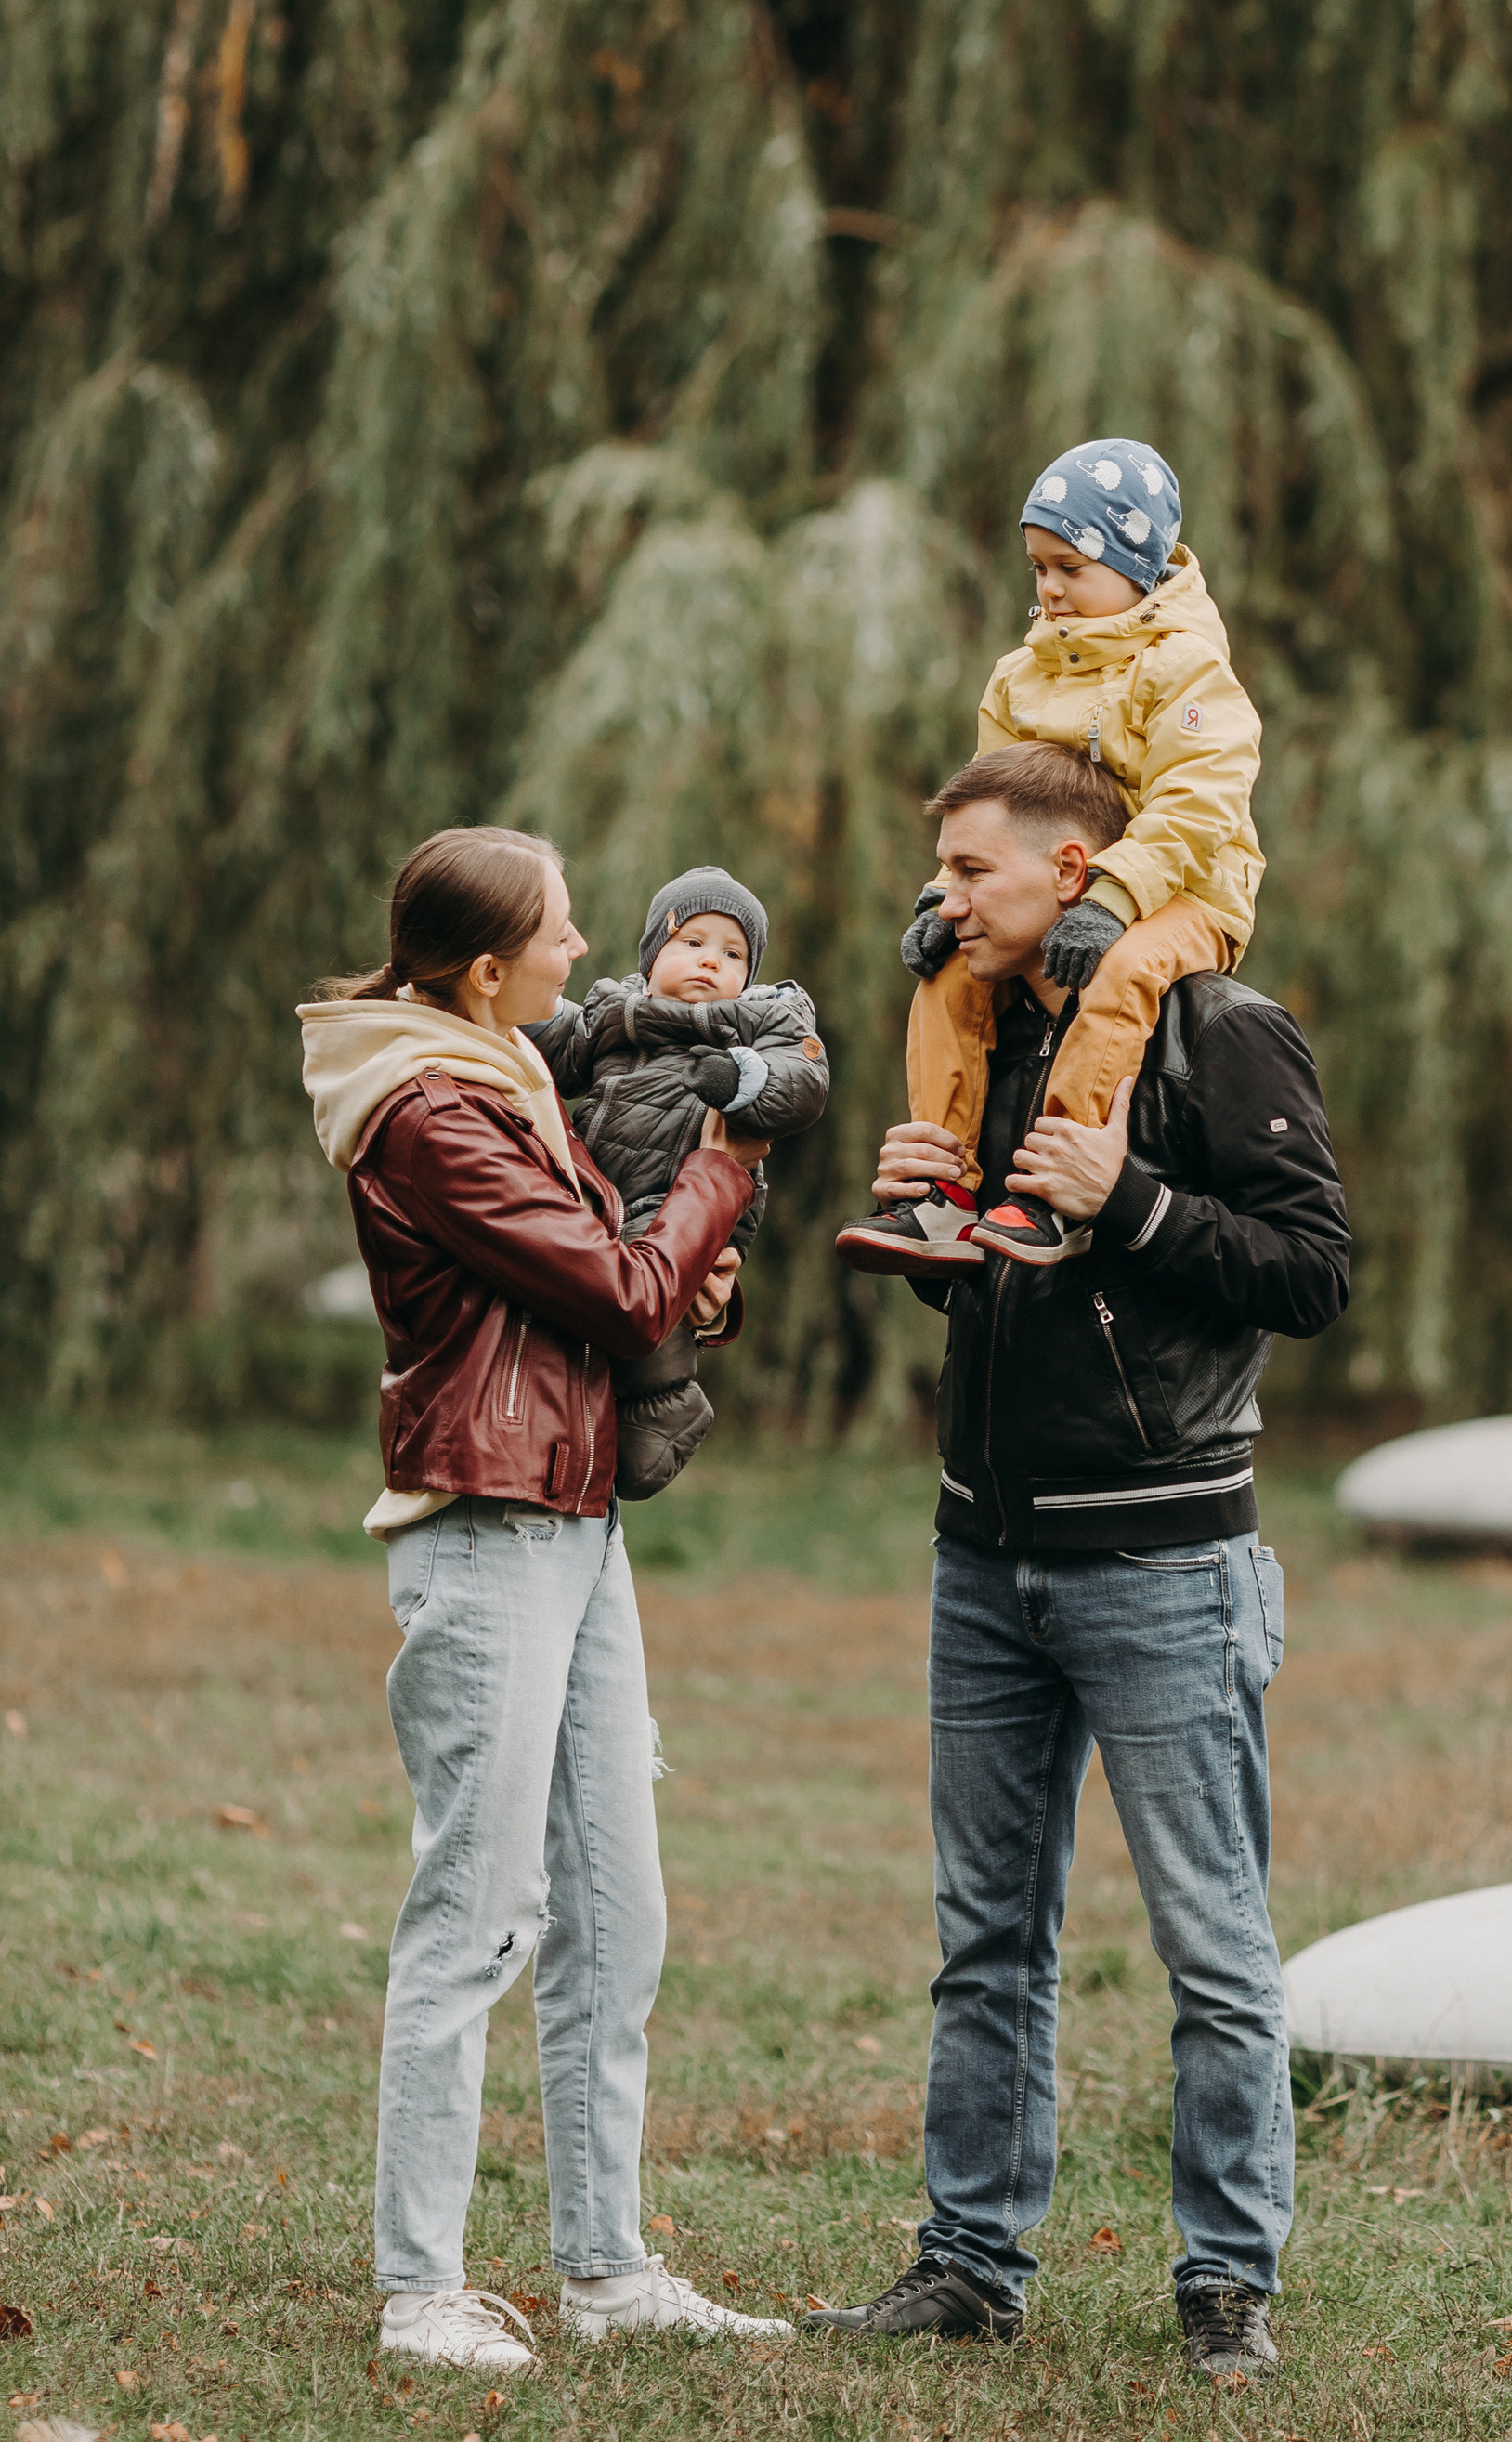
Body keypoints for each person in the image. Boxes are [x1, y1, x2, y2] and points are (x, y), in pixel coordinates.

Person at [804, 746, 1350, 2383]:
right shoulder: (989, 1031)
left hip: (1165, 1565)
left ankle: (1227, 2288)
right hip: (985, 1555)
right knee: (985, 1937)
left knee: (1214, 1945)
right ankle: (969, 2264)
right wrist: (934, 1222)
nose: (944, 899)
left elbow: (1311, 1272)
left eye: (973, 871)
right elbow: (1012, 1289)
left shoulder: (1220, 1028)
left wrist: (1132, 1203)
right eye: (945, 871)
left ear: (1074, 862)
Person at [296, 824, 795, 2377]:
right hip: (488, 1524)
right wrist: (731, 1160)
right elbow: (618, 1286)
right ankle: (418, 2287)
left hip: (576, 1518)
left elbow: (630, 1276)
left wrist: (695, 1251)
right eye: (564, 932)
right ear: (484, 965)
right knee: (479, 1909)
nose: (591, 952)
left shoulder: (503, 1074)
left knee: (614, 1911)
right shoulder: (432, 1110)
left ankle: (606, 2267)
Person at [834, 437, 1264, 1272]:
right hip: (1061, 888)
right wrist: (945, 899)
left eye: (1071, 566)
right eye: (1038, 568)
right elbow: (988, 811)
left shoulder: (1185, 669)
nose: (1051, 589)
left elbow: (1197, 804)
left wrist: (1112, 899)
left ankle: (1050, 1187)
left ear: (1137, 564)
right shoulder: (1019, 677)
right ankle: (944, 1192)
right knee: (949, 976)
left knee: (1122, 972)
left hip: (1183, 892)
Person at [528, 864, 829, 1495]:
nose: (709, 963)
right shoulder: (617, 1011)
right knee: (607, 1297)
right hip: (606, 1192)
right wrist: (521, 1020)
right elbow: (558, 1054)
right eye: (691, 943)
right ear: (653, 951)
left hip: (684, 1189)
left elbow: (803, 1082)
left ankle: (667, 1407)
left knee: (652, 1300)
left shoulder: (760, 1018)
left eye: (731, 953)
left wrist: (742, 1080)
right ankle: (620, 1416)